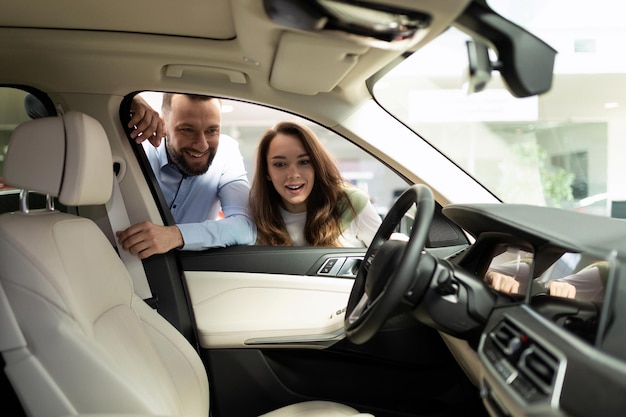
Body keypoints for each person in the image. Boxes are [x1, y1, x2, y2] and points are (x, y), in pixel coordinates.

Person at [116, 93, 256, 259]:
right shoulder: (136, 148)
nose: (202, 145)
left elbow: (245, 226)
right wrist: (129, 101)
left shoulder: (227, 153)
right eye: (187, 130)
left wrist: (175, 235)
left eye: (212, 130)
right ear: (163, 125)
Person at [250, 121, 381, 247]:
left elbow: (387, 260)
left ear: (317, 165)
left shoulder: (351, 203)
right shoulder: (254, 212)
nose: (293, 174)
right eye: (280, 164)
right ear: (266, 172)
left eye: (304, 162)